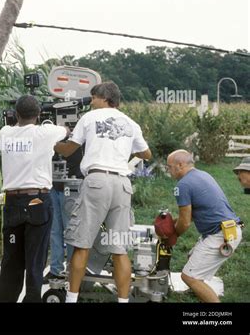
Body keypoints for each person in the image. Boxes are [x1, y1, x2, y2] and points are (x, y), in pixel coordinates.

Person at [54, 82, 151, 303]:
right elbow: (146, 153)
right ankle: (123, 300)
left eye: (93, 98)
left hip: (97, 181)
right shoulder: (131, 123)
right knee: (119, 249)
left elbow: (70, 148)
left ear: (103, 98)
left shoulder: (89, 118)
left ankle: (71, 299)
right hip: (122, 184)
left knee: (82, 244)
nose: (91, 102)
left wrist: (51, 143)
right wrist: (121, 154)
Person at [0, 95, 68, 302]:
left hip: (12, 203)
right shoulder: (45, 133)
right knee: (35, 261)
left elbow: (13, 124)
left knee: (11, 259)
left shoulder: (4, 133)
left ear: (16, 114)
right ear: (38, 115)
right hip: (37, 201)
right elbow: (66, 131)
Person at [166, 149, 243, 302]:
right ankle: (200, 293)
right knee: (192, 258)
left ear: (179, 165)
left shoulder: (183, 185)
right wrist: (172, 221)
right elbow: (193, 213)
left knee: (189, 276)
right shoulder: (203, 175)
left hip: (221, 235)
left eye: (169, 167)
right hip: (230, 229)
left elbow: (185, 222)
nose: (168, 170)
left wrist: (171, 237)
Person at [43, 147, 83, 283]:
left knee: (71, 230)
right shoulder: (52, 132)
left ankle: (73, 270)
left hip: (71, 185)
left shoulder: (78, 134)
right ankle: (55, 270)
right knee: (54, 230)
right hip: (52, 186)